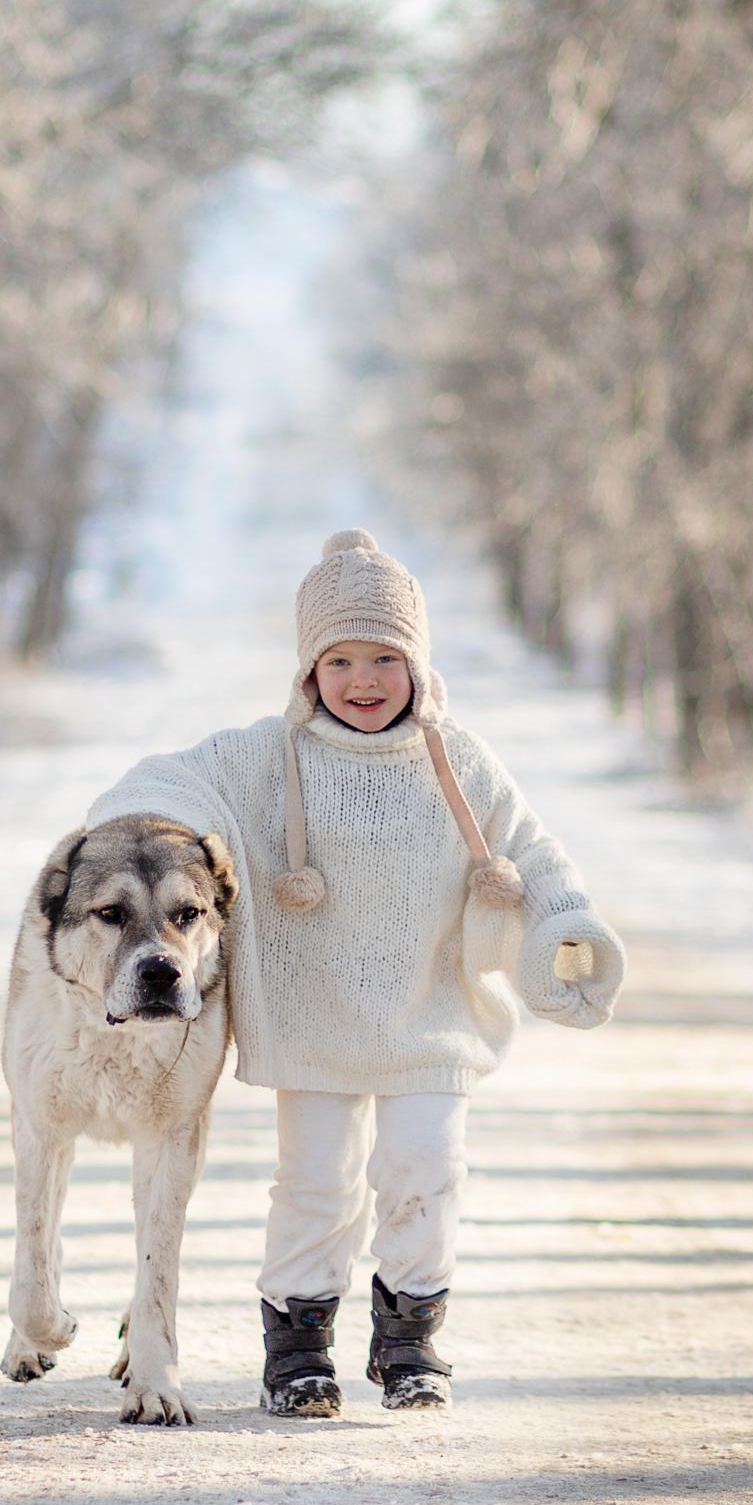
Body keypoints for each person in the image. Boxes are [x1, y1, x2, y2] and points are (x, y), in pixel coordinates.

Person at [84, 528, 625, 1417]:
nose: (363, 680)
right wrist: (141, 826)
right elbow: (164, 781)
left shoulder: (462, 764)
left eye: (385, 657)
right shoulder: (264, 758)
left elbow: (533, 853)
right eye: (339, 660)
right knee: (318, 1179)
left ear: (418, 664)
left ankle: (410, 1339)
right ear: (308, 670)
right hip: (315, 1016)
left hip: (431, 1015)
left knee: (425, 1167)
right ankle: (298, 1346)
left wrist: (567, 922)